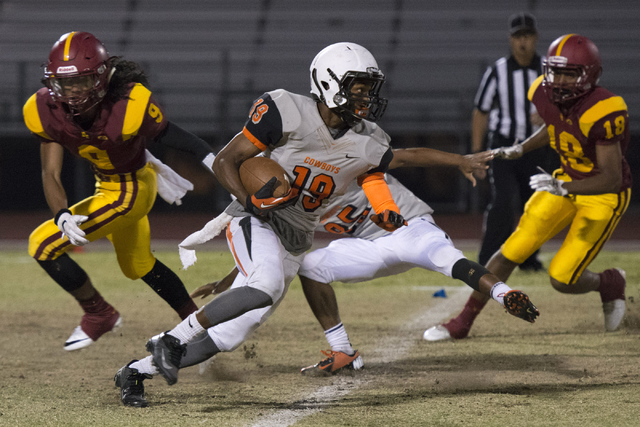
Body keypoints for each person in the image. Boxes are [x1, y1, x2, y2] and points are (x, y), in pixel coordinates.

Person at [114, 42, 414, 407]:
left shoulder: (370, 138)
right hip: (259, 219)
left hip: (296, 238)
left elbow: (373, 177)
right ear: (330, 82)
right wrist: (250, 201)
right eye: (358, 86)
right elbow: (226, 160)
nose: (366, 96)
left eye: (369, 87)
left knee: (229, 336)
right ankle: (173, 339)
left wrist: (384, 208)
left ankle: (134, 371)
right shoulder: (286, 109)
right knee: (266, 285)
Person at [190, 147, 540, 376]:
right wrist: (227, 279)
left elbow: (406, 155)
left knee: (449, 260)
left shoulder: (338, 160)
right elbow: (273, 245)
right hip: (371, 245)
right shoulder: (291, 194)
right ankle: (343, 352)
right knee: (311, 266)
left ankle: (504, 293)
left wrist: (460, 160)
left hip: (409, 227)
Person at [425, 34, 631, 342]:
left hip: (601, 195)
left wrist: (564, 185)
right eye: (555, 71)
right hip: (562, 182)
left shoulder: (605, 108)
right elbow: (554, 125)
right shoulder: (543, 92)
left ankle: (609, 282)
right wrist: (520, 148)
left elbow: (612, 178)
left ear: (590, 75)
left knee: (562, 278)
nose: (558, 80)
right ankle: (463, 321)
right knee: (511, 250)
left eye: (568, 73)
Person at [25, 32, 216, 351]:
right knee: (137, 266)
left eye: (81, 82)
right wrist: (61, 214)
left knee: (41, 244)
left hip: (131, 189)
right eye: (64, 83)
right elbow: (50, 172)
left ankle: (98, 313)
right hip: (107, 185)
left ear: (100, 79)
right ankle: (198, 327)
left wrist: (209, 155)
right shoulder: (44, 109)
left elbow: (169, 134)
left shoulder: (129, 103)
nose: (72, 92)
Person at [472, 12, 557, 271]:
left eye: (527, 36)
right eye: (518, 37)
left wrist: (548, 114)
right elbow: (480, 111)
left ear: (535, 38)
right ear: (511, 40)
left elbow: (564, 107)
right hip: (504, 145)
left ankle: (529, 259)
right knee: (503, 202)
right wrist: (476, 154)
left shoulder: (548, 70)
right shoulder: (497, 71)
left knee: (537, 203)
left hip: (537, 147)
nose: (523, 42)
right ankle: (487, 259)